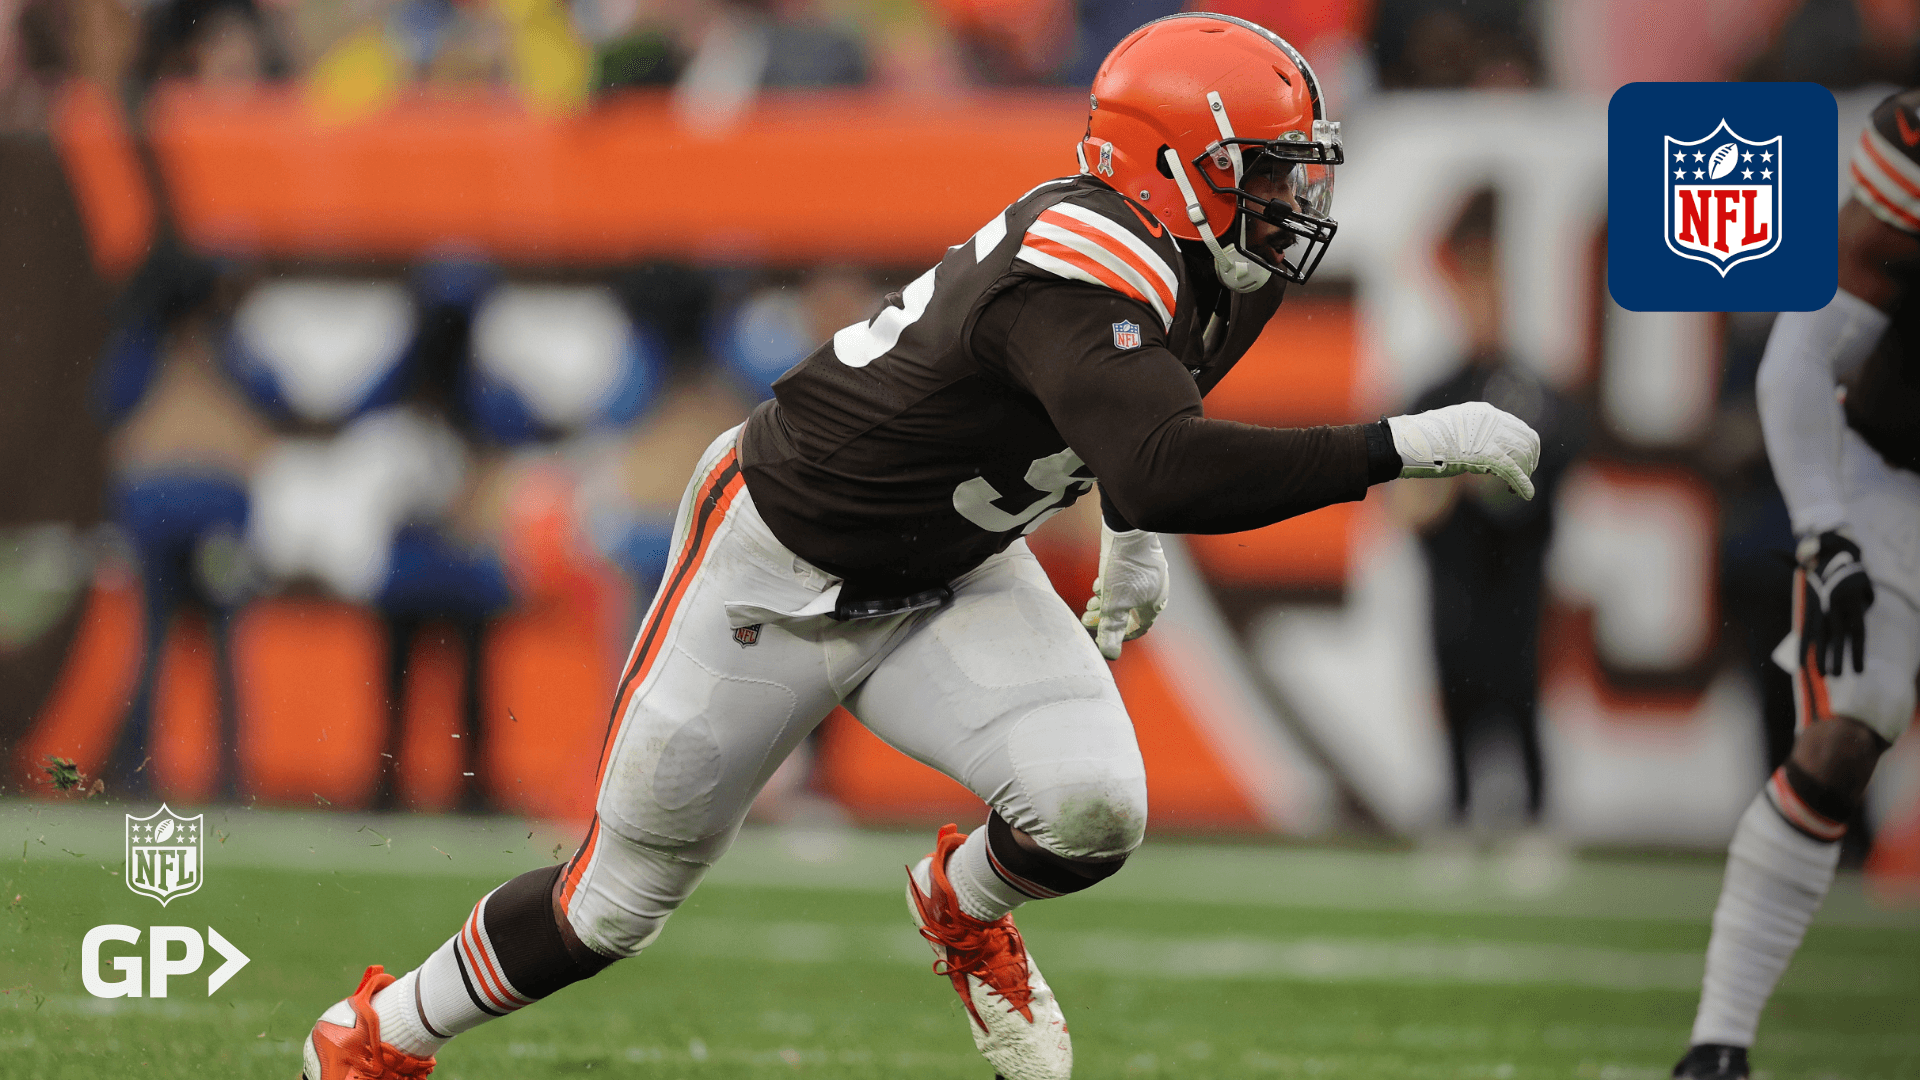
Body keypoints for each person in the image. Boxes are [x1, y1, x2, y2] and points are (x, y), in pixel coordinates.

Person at [299, 14, 1541, 1080]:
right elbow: (1159, 457)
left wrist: (1130, 541)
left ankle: (963, 909)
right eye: (1262, 171)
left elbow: (1137, 418)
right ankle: (372, 1037)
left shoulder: (1217, 265)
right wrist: (1404, 445)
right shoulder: (1078, 261)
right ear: (1170, 166)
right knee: (612, 906)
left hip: (951, 567)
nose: (1289, 201)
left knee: (1092, 808)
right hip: (775, 565)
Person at [1673, 89, 1920, 1080]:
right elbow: (1802, 354)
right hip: (1896, 472)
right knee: (1848, 725)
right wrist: (1825, 529)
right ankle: (1718, 1042)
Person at [1400, 188, 1580, 833]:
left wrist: (1493, 479)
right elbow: (1406, 500)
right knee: (1455, 694)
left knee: (1519, 694)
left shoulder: (1538, 392)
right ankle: (1455, 813)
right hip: (1455, 576)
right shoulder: (1434, 392)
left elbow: (1558, 476)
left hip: (1517, 579)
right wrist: (1458, 479)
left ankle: (1533, 816)